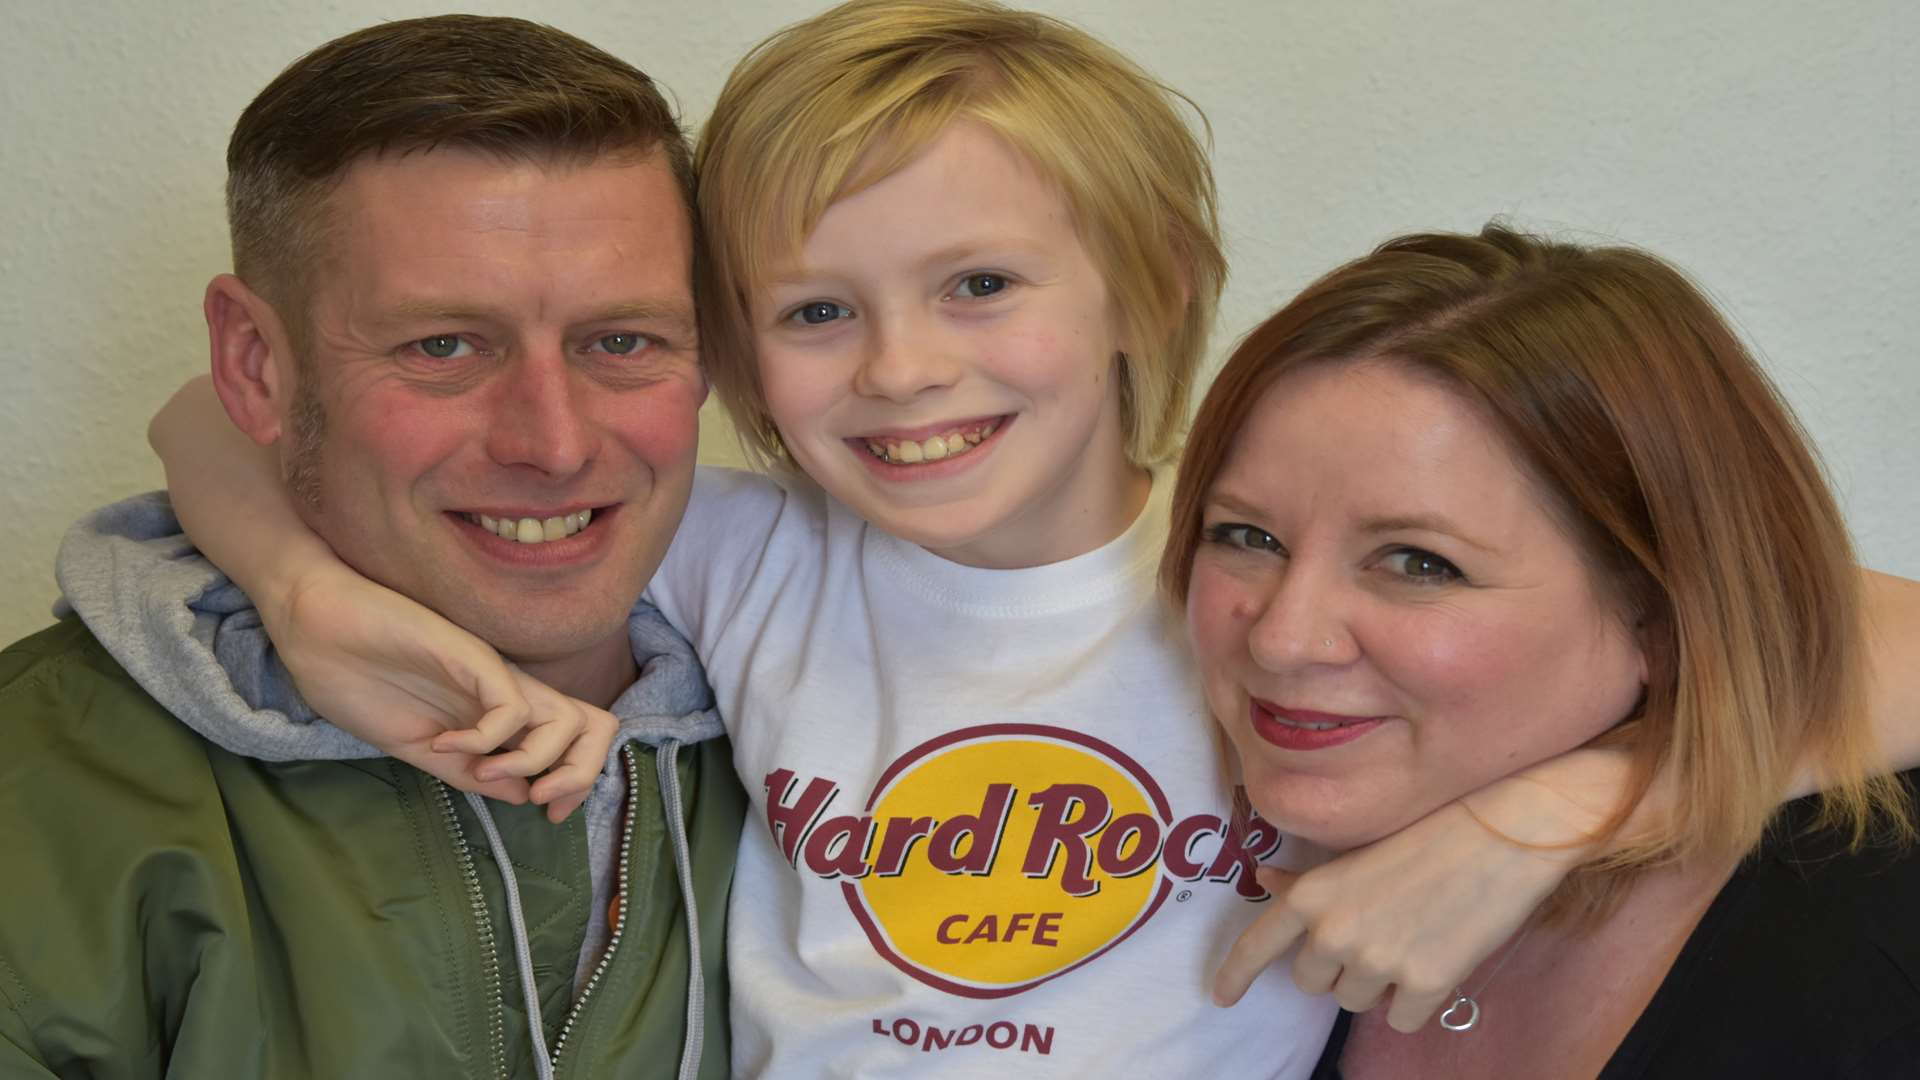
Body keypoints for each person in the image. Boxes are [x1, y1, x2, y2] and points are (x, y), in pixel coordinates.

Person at [0, 16, 744, 1078]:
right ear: (256, 364)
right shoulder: (38, 798)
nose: (556, 442)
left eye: (622, 341)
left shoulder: (839, 735)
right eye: (443, 347)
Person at [1170, 224, 1920, 1077]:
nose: (1283, 637)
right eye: (1247, 535)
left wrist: (1544, 820)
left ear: (1662, 613)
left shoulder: (1876, 954)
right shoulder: (1183, 818)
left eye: (1419, 563)